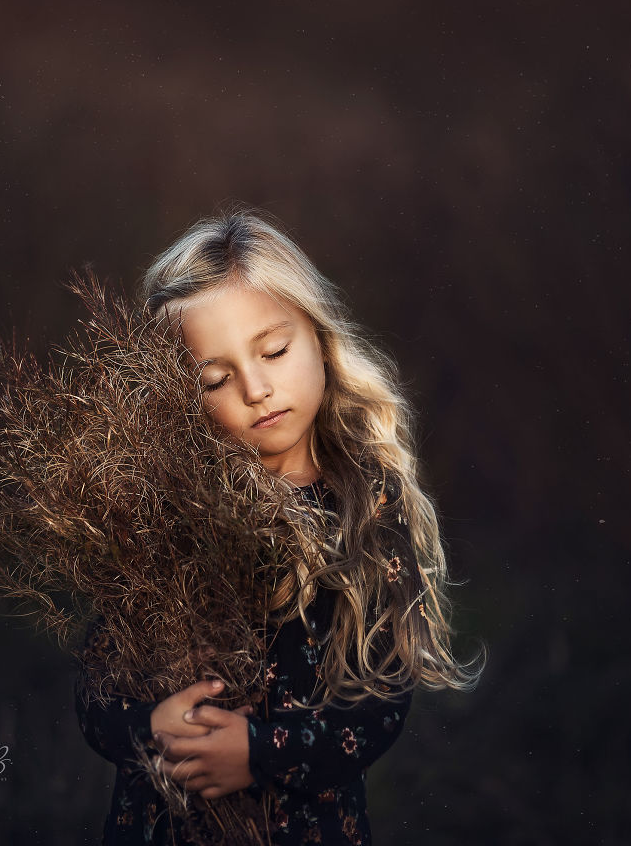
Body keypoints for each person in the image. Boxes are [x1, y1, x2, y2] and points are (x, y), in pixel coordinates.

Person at [75, 209, 480, 845]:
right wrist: (151, 726)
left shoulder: (367, 503)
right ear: (184, 396)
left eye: (274, 351)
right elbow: (95, 696)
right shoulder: (165, 517)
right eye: (215, 377)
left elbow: (378, 707)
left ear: (319, 337)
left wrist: (260, 750)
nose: (257, 388)